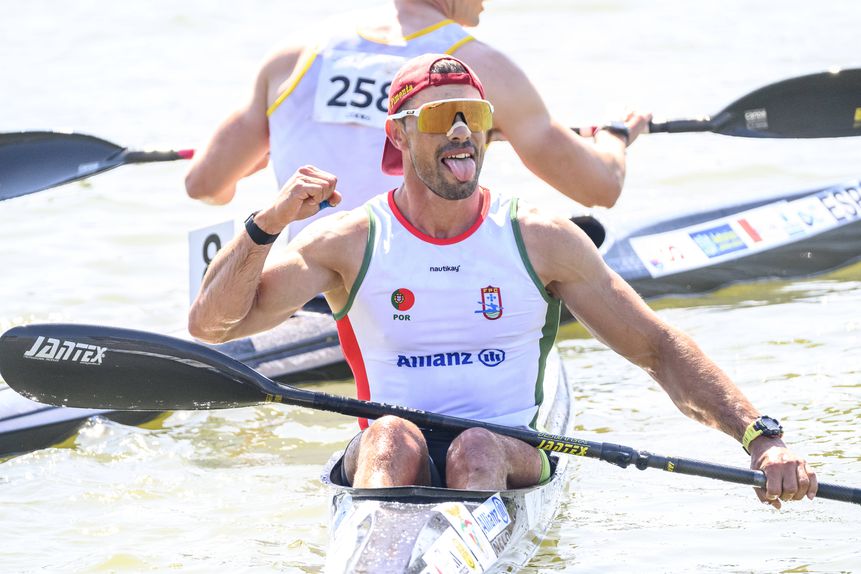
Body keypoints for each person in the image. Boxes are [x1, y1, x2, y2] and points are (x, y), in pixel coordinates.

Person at [188, 53, 816, 507]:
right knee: (391, 439)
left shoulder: (541, 239)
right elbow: (211, 327)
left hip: (509, 454)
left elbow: (657, 347)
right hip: (387, 454)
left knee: (476, 448)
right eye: (441, 116)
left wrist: (761, 438)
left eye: (474, 115)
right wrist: (267, 224)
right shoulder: (348, 241)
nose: (461, 130)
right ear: (398, 135)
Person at [184, 0, 651, 241]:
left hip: (309, 286)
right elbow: (600, 188)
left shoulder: (294, 55)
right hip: (414, 293)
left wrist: (262, 158)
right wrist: (615, 137)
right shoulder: (480, 68)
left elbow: (204, 185)